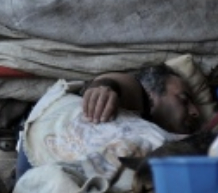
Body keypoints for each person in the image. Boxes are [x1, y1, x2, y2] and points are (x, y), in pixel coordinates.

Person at [15, 64, 202, 179]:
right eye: (183, 99)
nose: (195, 112)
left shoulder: (148, 128)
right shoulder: (139, 97)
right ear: (151, 94)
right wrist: (104, 88)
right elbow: (119, 83)